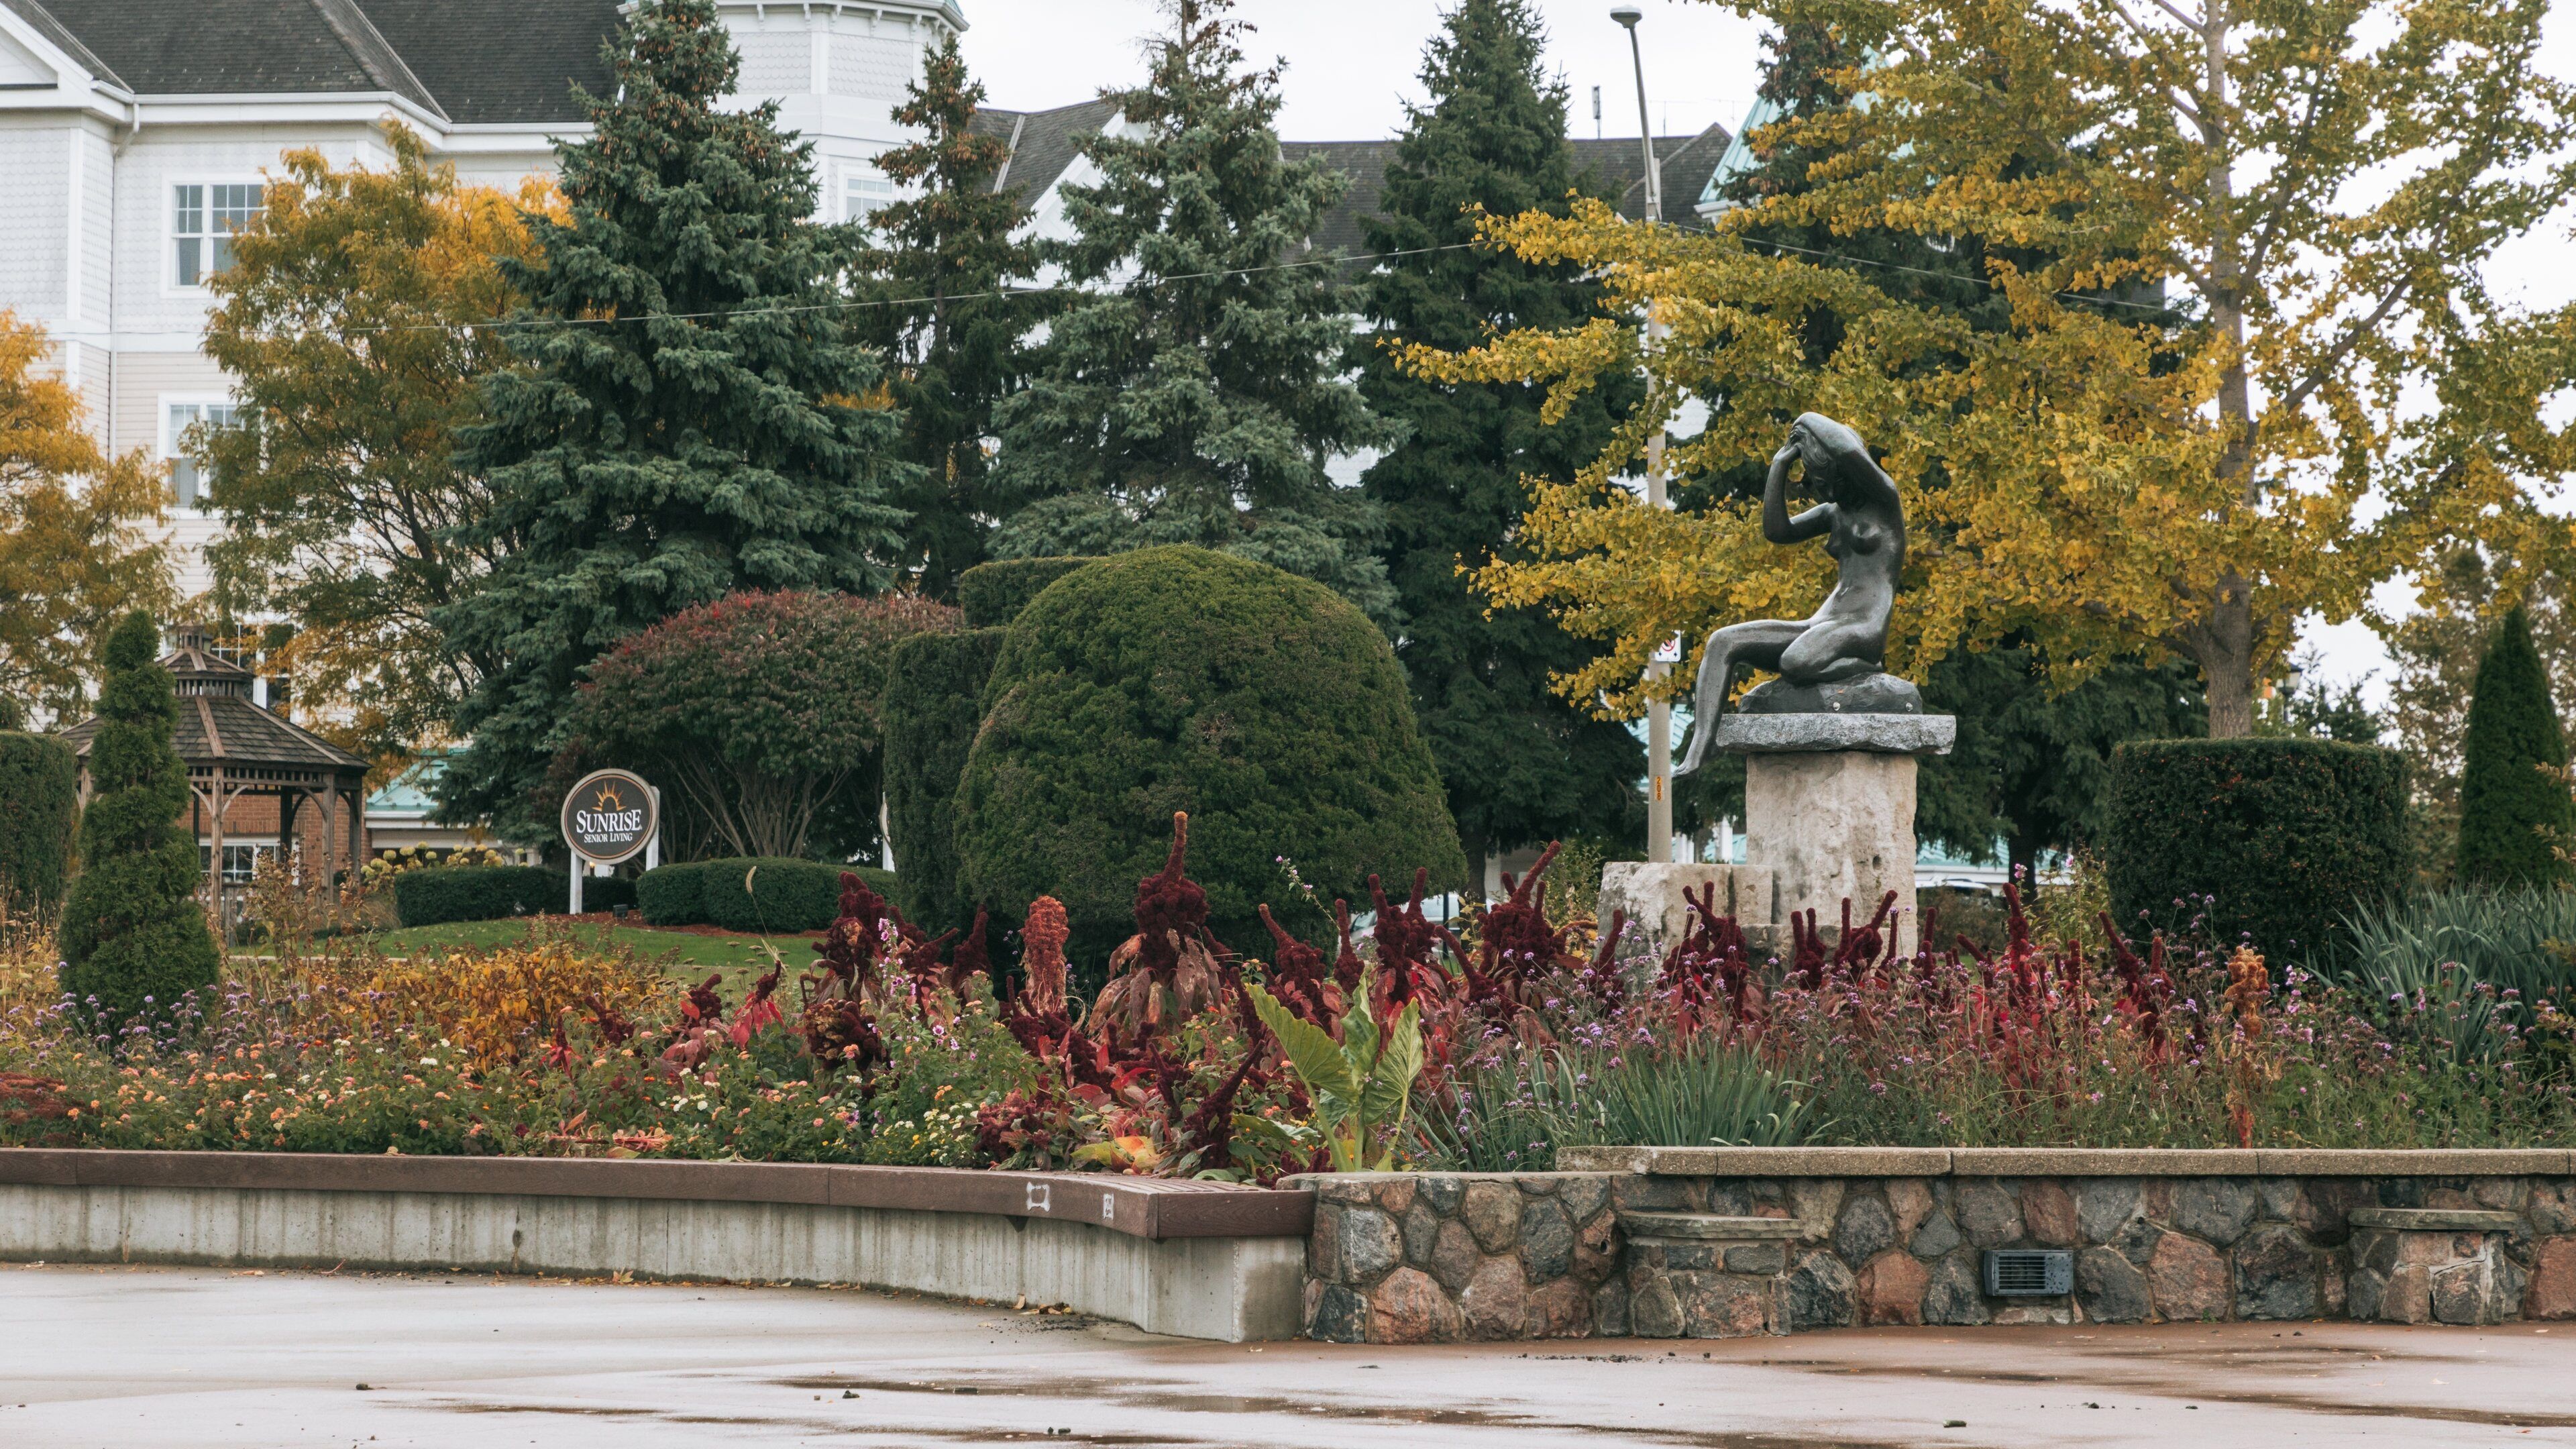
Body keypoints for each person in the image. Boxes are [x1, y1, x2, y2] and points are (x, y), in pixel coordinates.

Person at [1674, 413, 1904, 777]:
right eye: (1818, 484)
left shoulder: (1884, 501)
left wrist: (1805, 421)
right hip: (1823, 623)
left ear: (1849, 473)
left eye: (1833, 482)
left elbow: (1846, 448)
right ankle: (1701, 747)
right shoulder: (1833, 513)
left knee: (1794, 663)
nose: (1828, 493)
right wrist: (1780, 465)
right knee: (1723, 642)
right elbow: (1777, 531)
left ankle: (1867, 665)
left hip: (1864, 624)